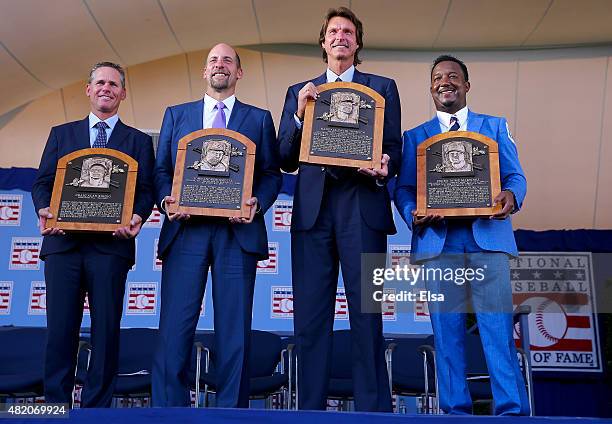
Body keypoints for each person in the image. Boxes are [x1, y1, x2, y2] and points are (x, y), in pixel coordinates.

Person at [277, 7, 401, 411]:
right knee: (311, 320)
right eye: (334, 31)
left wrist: (384, 165)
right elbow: (285, 157)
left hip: (362, 208)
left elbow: (394, 150)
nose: (341, 37)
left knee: (367, 318)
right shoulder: (302, 90)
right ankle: (309, 411)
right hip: (313, 213)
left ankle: (373, 412)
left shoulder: (383, 87)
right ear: (323, 42)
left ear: (357, 43)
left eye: (348, 32)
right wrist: (298, 113)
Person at [394, 55, 529, 415]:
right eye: (438, 77)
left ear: (467, 85)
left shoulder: (495, 126)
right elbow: (404, 188)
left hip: (488, 239)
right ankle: (455, 412)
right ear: (431, 88)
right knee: (447, 334)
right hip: (439, 243)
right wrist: (413, 213)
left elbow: (516, 176)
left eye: (453, 76)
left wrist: (511, 195)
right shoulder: (415, 137)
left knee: (497, 330)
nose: (445, 82)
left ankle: (512, 412)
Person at [152, 43, 281, 407]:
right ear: (203, 72)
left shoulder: (258, 118)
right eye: (213, 60)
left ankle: (230, 414)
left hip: (236, 234)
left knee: (234, 332)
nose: (220, 65)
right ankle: (169, 412)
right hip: (185, 232)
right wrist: (166, 200)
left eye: (227, 60)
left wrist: (258, 203)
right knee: (174, 331)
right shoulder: (176, 115)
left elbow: (271, 174)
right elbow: (161, 170)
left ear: (239, 73)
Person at [31, 62, 155, 407]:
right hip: (63, 245)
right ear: (88, 89)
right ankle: (55, 407)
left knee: (106, 332)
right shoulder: (61, 134)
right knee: (59, 331)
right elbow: (42, 183)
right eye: (100, 82)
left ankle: (97, 410)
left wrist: (137, 215)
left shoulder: (139, 141)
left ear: (123, 93)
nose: (106, 88)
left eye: (114, 84)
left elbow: (145, 190)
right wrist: (45, 208)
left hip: (110, 248)